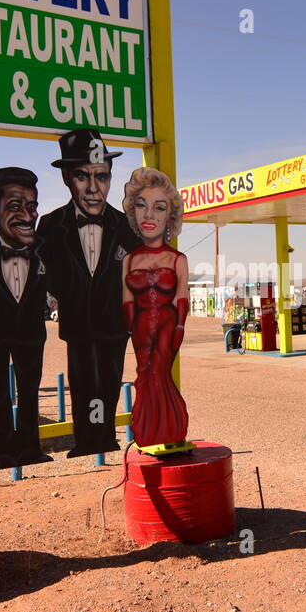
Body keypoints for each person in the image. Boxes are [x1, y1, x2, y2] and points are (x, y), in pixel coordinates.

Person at [37, 129, 140, 456]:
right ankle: (87, 439)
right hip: (78, 322)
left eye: (102, 176)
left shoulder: (126, 226)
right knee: (81, 381)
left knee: (109, 382)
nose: (94, 187)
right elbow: (42, 271)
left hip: (114, 323)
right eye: (83, 176)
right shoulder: (51, 226)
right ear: (67, 177)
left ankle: (103, 436)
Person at [0, 166, 54, 471]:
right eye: (15, 206)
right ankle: (2, 451)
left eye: (32, 207)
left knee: (30, 391)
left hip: (32, 333)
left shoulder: (43, 247)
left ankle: (31, 447)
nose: (27, 216)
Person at [121, 167, 190, 447]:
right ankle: (149, 433)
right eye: (142, 205)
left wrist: (179, 326)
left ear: (169, 216)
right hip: (139, 328)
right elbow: (127, 299)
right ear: (133, 212)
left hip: (167, 324)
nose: (149, 215)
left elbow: (181, 298)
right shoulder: (129, 259)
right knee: (143, 374)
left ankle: (170, 428)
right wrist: (130, 327)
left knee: (157, 373)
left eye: (159, 207)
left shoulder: (177, 259)